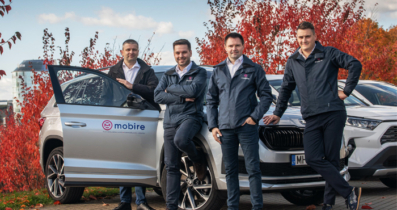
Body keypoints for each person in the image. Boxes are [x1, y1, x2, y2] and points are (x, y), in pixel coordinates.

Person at [263, 22, 362, 210]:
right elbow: (285, 89)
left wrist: (347, 91)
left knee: (332, 160)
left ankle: (328, 204)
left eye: (307, 37)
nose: (304, 40)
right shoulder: (293, 61)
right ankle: (348, 192)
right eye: (300, 37)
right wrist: (277, 113)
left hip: (333, 112)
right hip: (311, 117)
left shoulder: (329, 53)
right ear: (297, 38)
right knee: (313, 157)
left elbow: (354, 64)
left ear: (315, 36)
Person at [206, 32, 273, 210]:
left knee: (253, 169)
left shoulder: (254, 69)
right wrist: (213, 126)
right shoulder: (218, 70)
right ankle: (232, 207)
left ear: (243, 47)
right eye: (230, 46)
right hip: (225, 129)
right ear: (225, 47)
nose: (234, 48)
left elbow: (266, 96)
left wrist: (254, 116)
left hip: (247, 127)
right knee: (230, 171)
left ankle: (257, 206)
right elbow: (211, 100)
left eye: (237, 45)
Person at [154, 39, 207, 210]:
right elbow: (157, 96)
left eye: (184, 52)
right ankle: (171, 206)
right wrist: (181, 97)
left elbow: (194, 91)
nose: (181, 55)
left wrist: (170, 89)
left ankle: (198, 160)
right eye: (177, 53)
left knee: (181, 140)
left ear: (190, 52)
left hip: (191, 116)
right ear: (174, 54)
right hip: (170, 120)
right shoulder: (168, 74)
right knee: (171, 166)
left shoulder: (200, 72)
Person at [108, 39, 157, 210]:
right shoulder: (113, 71)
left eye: (134, 49)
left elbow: (154, 91)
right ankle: (124, 202)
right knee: (123, 158)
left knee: (139, 158)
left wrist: (132, 86)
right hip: (119, 120)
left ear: (138, 51)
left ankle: (141, 202)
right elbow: (106, 95)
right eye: (128, 50)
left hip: (140, 118)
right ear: (122, 52)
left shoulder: (147, 71)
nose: (131, 52)